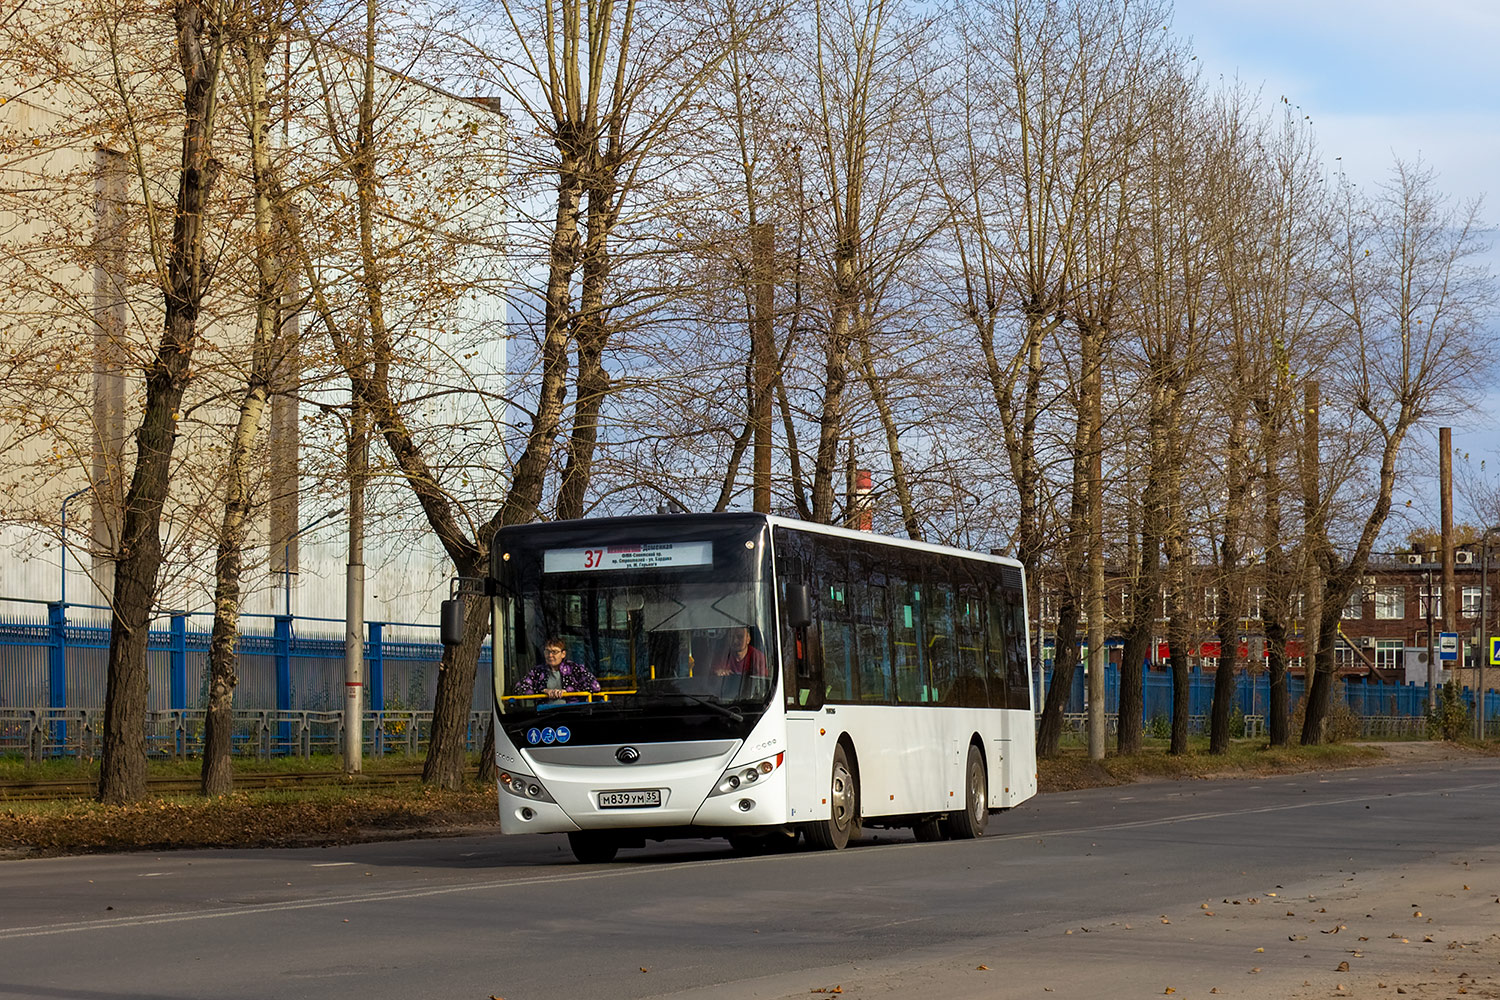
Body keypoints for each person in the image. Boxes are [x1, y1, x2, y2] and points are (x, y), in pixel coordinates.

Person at [515, 637, 600, 699]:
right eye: (547, 652)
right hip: (544, 716)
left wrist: (567, 692)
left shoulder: (575, 669)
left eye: (554, 652)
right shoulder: (538, 671)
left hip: (572, 715)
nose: (550, 655)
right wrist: (544, 691)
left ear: (563, 654)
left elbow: (595, 686)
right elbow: (520, 688)